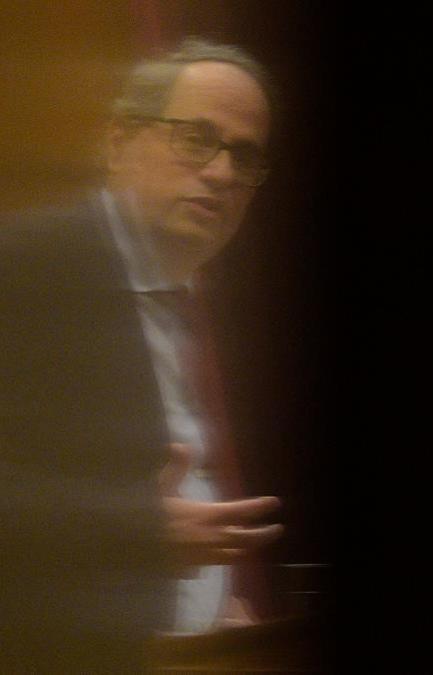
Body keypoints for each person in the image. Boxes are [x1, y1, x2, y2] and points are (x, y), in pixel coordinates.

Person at [0, 38, 282, 670]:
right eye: (195, 138)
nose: (220, 172)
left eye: (244, 155)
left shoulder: (221, 307)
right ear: (118, 141)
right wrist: (135, 528)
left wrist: (229, 608)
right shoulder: (22, 268)